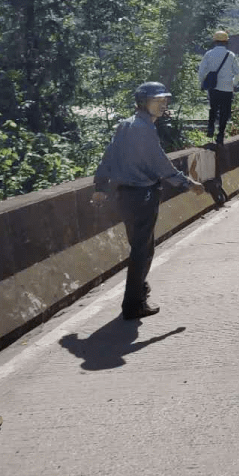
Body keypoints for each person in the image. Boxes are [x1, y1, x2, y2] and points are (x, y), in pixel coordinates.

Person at [91, 82, 207, 320]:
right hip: (142, 195)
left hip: (125, 196)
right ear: (143, 102)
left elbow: (109, 155)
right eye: (157, 100)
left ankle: (139, 293)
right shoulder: (143, 128)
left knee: (140, 248)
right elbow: (159, 163)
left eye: (165, 100)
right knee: (142, 251)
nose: (163, 104)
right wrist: (188, 184)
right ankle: (134, 303)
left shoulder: (125, 125)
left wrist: (101, 185)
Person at [197, 30, 239, 145]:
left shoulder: (209, 54)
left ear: (215, 41)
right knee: (224, 112)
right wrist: (233, 83)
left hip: (213, 87)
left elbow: (201, 72)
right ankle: (220, 135)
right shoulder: (230, 55)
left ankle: (210, 128)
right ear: (226, 42)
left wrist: (202, 84)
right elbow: (238, 73)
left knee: (213, 108)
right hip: (227, 88)